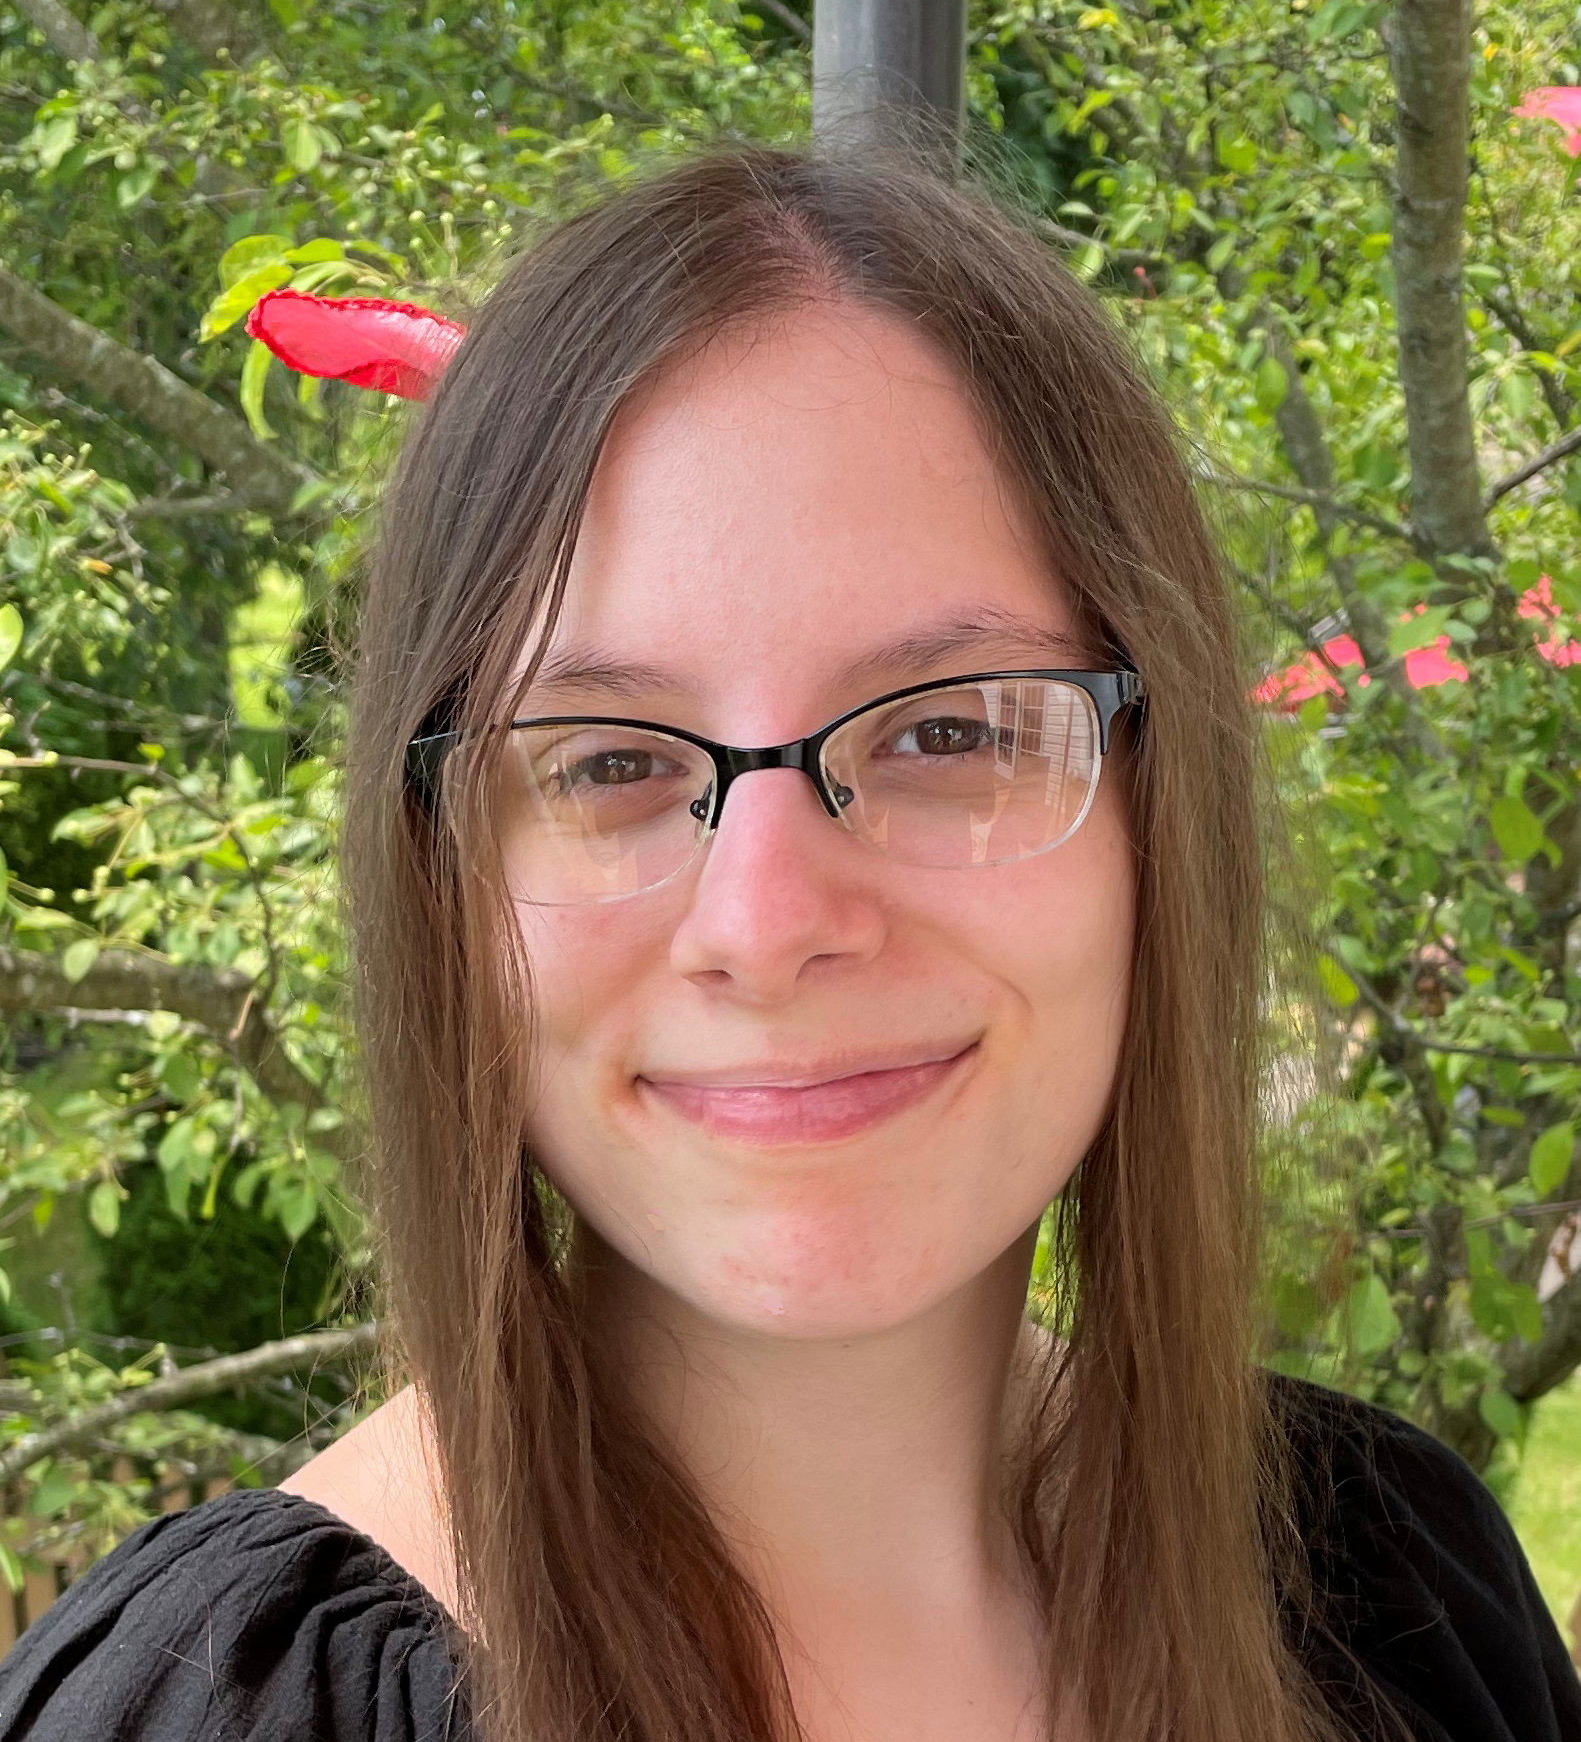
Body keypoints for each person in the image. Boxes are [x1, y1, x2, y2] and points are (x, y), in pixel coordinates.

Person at [0, 148, 1575, 1742]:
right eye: (607, 760)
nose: (764, 924)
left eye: (950, 731)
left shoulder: (1400, 1597)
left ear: (1160, 820)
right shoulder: (227, 1709)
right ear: (447, 896)